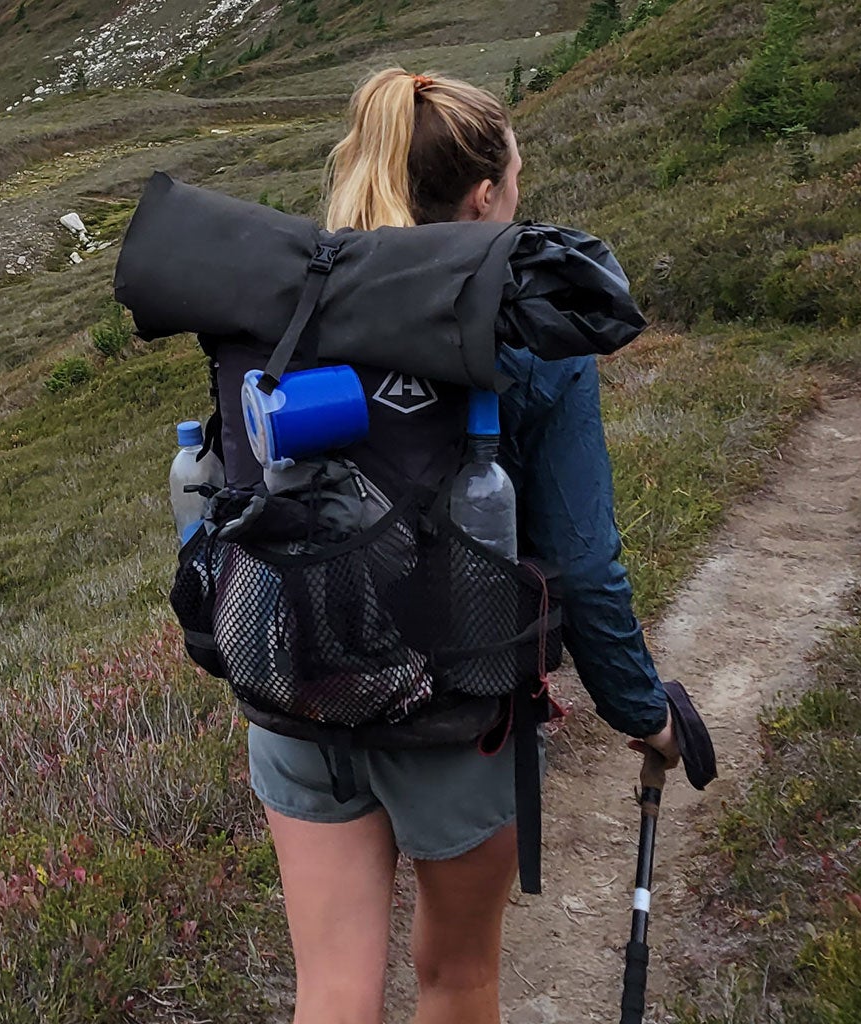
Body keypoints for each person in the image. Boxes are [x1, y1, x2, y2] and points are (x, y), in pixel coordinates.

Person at [243, 67, 683, 1024]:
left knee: (331, 989)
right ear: (486, 197)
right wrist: (643, 712)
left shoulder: (296, 299)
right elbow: (584, 563)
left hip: (301, 682)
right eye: (515, 177)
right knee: (453, 977)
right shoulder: (528, 336)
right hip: (456, 711)